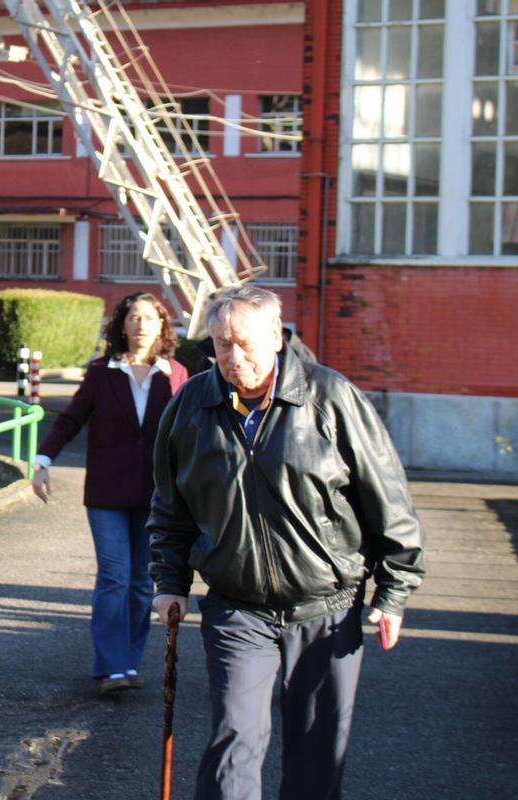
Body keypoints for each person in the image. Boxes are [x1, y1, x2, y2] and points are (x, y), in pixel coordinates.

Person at [148, 284, 426, 800]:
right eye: (222, 345)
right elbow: (170, 505)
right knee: (233, 741)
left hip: (327, 606)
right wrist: (170, 582)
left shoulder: (332, 397)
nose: (234, 359)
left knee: (317, 754)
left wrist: (394, 592)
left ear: (276, 335)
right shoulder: (192, 404)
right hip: (237, 607)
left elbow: (387, 497)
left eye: (245, 344)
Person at [31, 292, 188, 695]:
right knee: (115, 577)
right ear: (122, 325)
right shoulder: (103, 371)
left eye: (149, 318)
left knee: (141, 582)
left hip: (157, 496)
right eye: (133, 317)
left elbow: (190, 433)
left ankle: (129, 661)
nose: (141, 325)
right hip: (106, 491)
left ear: (162, 325)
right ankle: (110, 666)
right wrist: (43, 459)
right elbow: (71, 418)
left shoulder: (176, 374)